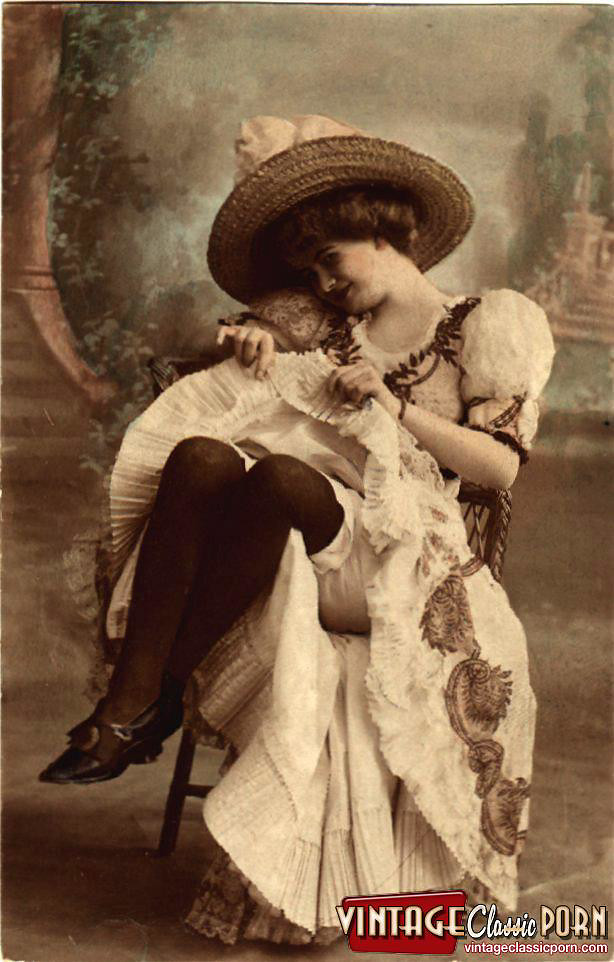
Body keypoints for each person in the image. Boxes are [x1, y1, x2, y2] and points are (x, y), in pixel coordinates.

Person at [40, 115, 555, 945]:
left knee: (281, 478)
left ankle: (155, 693)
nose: (324, 282)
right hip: (300, 550)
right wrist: (253, 342)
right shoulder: (323, 325)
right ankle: (135, 703)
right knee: (203, 456)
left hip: (410, 569)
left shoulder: (486, 321)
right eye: (311, 271)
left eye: (331, 260)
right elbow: (239, 360)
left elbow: (497, 470)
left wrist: (392, 407)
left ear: (383, 233)